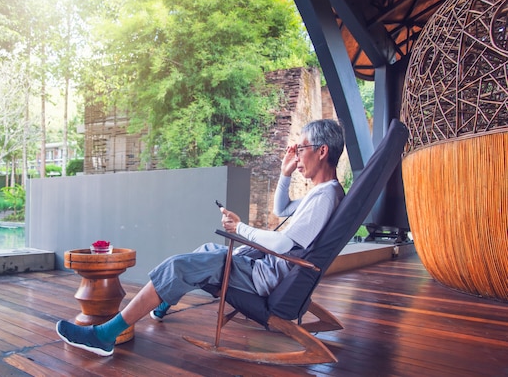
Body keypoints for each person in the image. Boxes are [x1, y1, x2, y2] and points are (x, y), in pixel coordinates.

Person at [56, 118, 346, 357]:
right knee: (207, 249)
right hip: (268, 265)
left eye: (301, 148)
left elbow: (283, 245)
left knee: (178, 266)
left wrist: (239, 228)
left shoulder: (323, 198)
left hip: (265, 276)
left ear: (321, 151)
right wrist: (285, 174)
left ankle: (105, 335)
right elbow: (281, 209)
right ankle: (163, 302)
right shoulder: (324, 193)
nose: (297, 155)